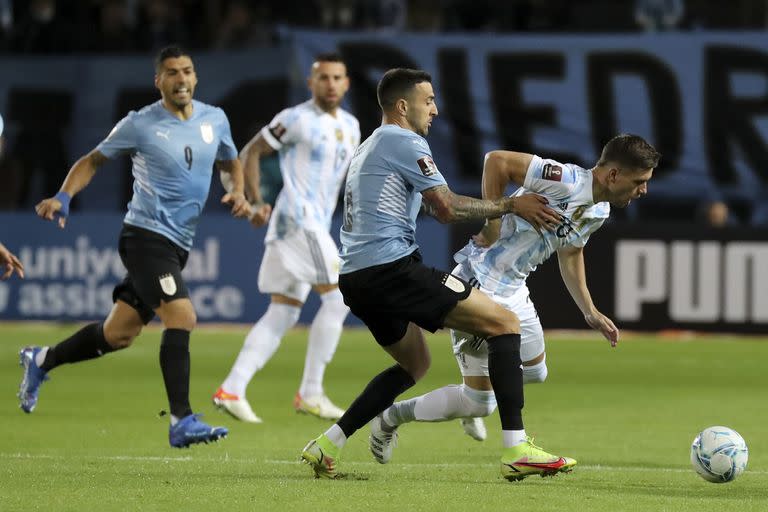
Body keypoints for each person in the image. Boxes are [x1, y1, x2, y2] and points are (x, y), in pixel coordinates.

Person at [300, 67, 574, 483]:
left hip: (356, 276)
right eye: (428, 101)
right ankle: (517, 448)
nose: (435, 109)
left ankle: (327, 443)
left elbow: (427, 205)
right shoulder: (404, 141)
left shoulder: (371, 145)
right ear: (402, 106)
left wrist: (484, 221)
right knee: (504, 323)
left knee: (415, 362)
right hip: (390, 269)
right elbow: (445, 207)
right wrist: (509, 206)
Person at [371, 134, 660, 459]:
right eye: (640, 181)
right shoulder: (565, 180)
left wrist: (589, 311)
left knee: (536, 372)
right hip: (479, 281)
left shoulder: (599, 210)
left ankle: (472, 401)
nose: (643, 190)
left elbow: (571, 252)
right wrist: (492, 224)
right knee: (480, 403)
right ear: (613, 175)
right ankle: (390, 418)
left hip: (515, 289)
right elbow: (497, 161)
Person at [17, 46, 250, 448]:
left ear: (196, 77)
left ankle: (41, 360)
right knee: (183, 317)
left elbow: (230, 162)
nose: (181, 79)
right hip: (144, 238)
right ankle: (181, 420)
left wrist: (239, 192)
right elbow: (93, 160)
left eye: (187, 71)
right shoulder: (139, 124)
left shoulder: (216, 119)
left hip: (179, 244)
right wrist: (63, 197)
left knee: (118, 334)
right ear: (158, 81)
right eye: (172, 73)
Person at [213, 53, 360, 423]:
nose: (329, 84)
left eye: (336, 77)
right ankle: (311, 392)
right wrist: (253, 199)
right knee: (341, 298)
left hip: (312, 225)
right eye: (322, 77)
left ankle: (232, 387)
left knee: (283, 311)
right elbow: (251, 152)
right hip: (298, 221)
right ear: (310, 83)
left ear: (346, 83)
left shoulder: (353, 126)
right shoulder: (294, 119)